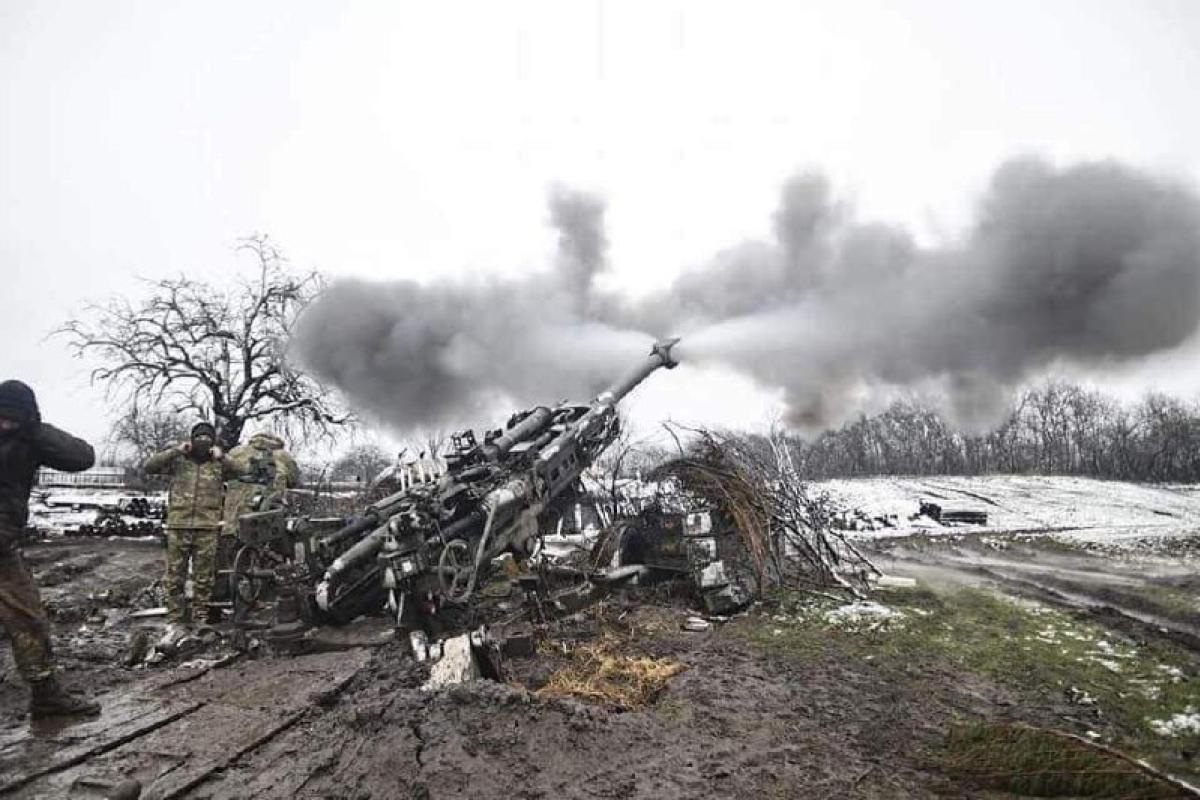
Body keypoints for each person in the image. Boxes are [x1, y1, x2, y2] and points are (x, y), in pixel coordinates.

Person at [0, 380, 100, 718]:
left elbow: (83, 457)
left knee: (28, 619)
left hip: (2, 546)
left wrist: (35, 431)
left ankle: (45, 695)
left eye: (12, 419)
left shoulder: (30, 438)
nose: (4, 425)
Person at [143, 422, 239, 641]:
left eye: (207, 437)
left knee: (204, 578)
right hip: (178, 525)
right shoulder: (178, 461)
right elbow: (149, 466)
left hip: (207, 526)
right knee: (175, 577)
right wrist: (176, 450)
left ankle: (199, 619)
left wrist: (223, 456)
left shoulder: (218, 464)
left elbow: (243, 470)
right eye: (199, 437)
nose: (202, 441)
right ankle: (176, 620)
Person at [221, 432, 300, 536]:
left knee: (233, 545)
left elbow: (224, 475)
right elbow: (293, 480)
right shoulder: (283, 456)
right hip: (269, 517)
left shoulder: (237, 451)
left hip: (234, 517)